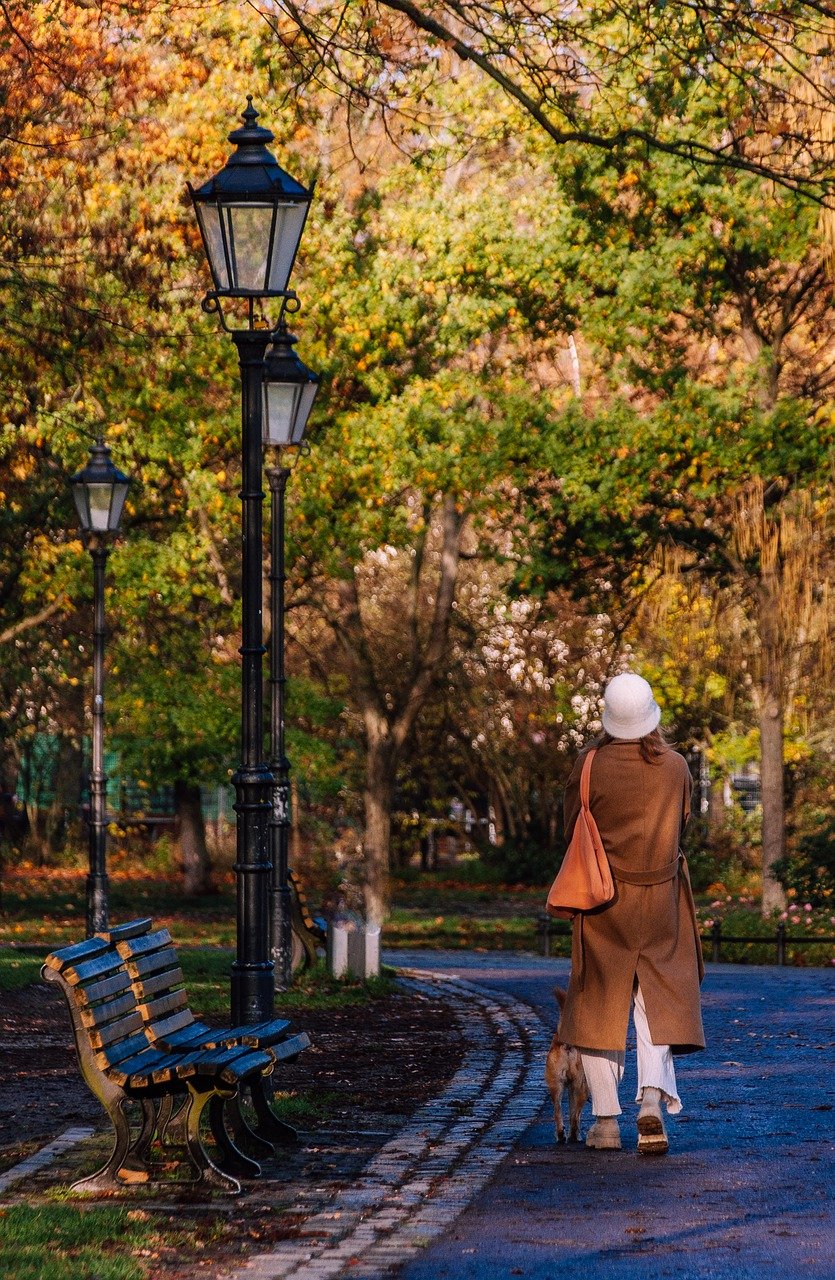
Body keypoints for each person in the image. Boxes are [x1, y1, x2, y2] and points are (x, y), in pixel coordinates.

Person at [557, 672, 705, 1155]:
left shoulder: (588, 766)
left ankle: (603, 1121)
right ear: (650, 716)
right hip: (661, 901)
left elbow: (569, 830)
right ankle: (651, 1104)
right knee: (656, 1002)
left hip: (603, 904)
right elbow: (685, 824)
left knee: (599, 1005)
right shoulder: (677, 767)